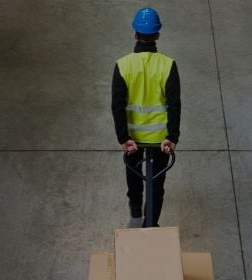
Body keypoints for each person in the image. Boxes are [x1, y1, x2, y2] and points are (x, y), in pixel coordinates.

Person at [111, 7, 182, 228]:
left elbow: (117, 105)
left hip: (133, 139)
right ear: (158, 35)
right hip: (160, 140)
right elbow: (174, 104)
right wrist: (172, 136)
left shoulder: (122, 65)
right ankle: (150, 225)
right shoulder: (168, 65)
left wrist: (124, 138)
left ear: (135, 34)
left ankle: (134, 215)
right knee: (156, 185)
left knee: (134, 179)